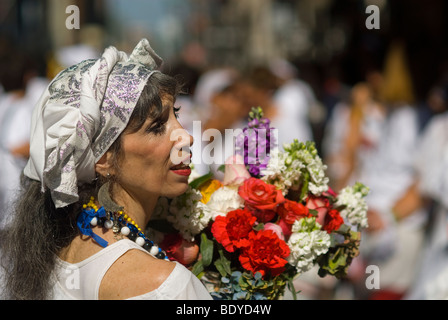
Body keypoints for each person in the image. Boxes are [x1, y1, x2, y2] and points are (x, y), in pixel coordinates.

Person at [0, 39, 212, 300]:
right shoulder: (164, 285)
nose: (185, 137)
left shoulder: (45, 255)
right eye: (157, 126)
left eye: (175, 114)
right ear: (102, 158)